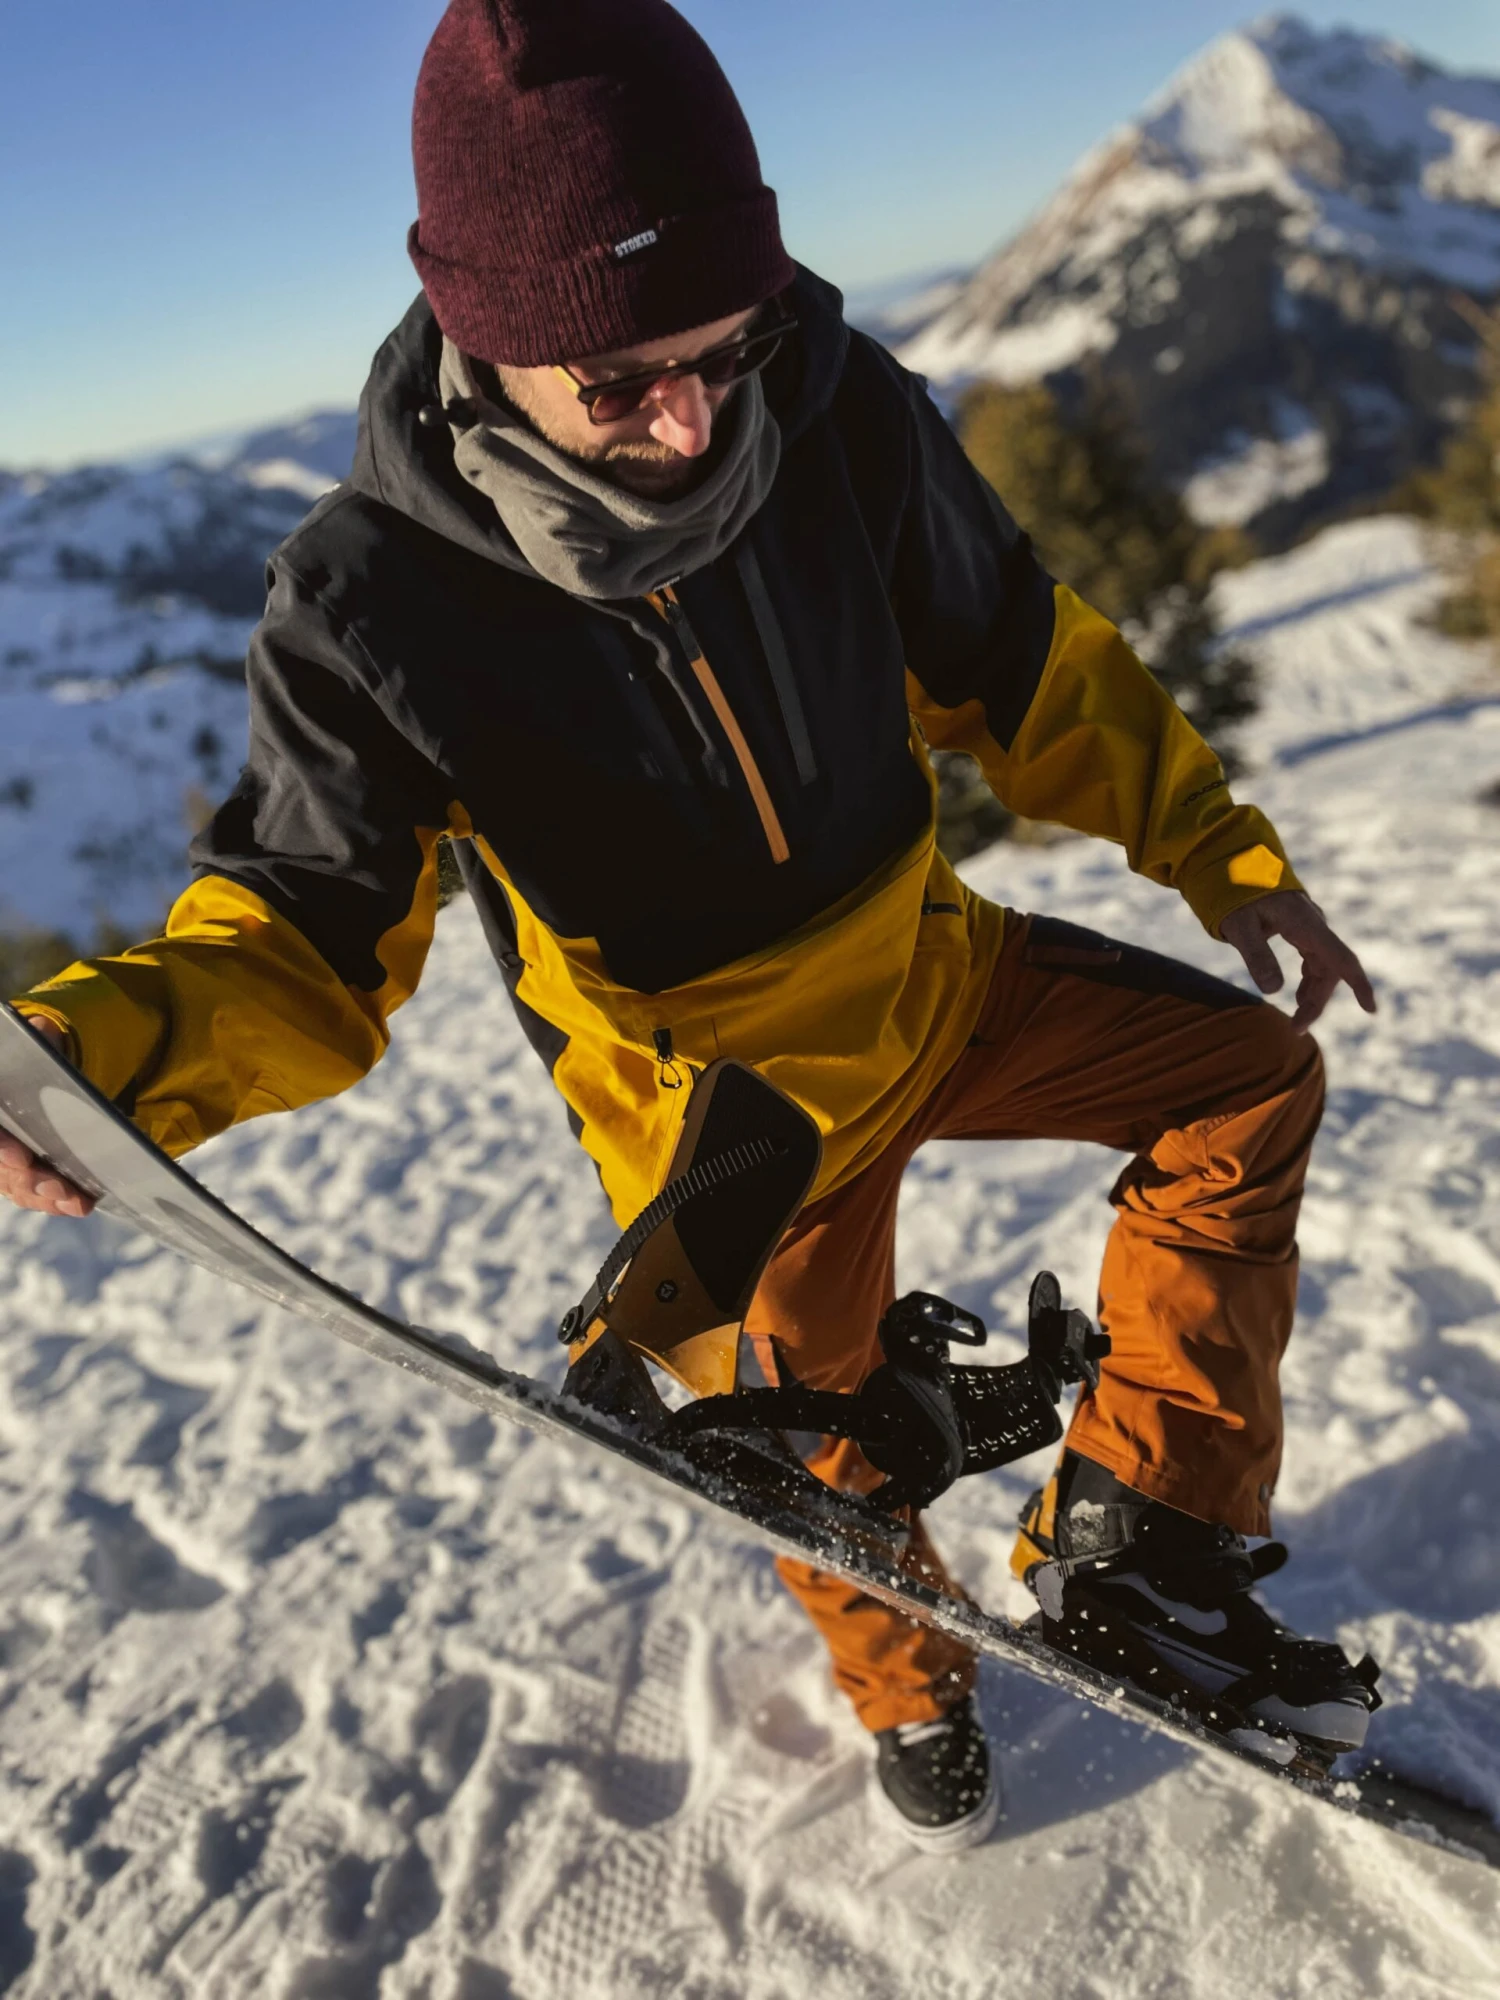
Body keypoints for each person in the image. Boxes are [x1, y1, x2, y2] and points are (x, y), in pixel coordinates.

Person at [0, 0, 1380, 1853]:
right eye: (625, 381)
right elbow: (300, 943)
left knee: (1247, 1087)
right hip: (729, 1127)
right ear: (491, 343)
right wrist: (91, 1068)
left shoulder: (826, 396)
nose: (694, 414)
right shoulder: (372, 604)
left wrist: (1225, 852)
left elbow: (1024, 663)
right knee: (818, 1466)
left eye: (720, 349)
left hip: (934, 977)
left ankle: (1146, 1551)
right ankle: (914, 1699)